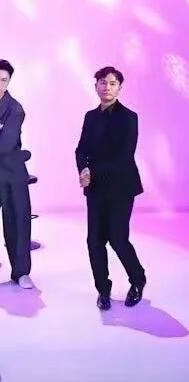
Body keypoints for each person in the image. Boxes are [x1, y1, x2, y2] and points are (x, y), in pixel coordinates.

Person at [75, 66, 146, 311]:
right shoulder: (90, 117)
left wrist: (91, 172)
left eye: (112, 83)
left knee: (117, 238)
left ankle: (138, 279)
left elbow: (124, 156)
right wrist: (82, 169)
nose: (107, 87)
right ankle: (103, 290)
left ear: (120, 88)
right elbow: (81, 149)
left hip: (121, 187)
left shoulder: (129, 118)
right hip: (95, 188)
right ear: (96, 86)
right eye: (103, 82)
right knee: (94, 241)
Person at [0, 59, 33, 289]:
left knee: (18, 223)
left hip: (13, 173)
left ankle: (21, 272)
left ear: (9, 82)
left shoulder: (15, 109)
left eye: (4, 80)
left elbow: (5, 143)